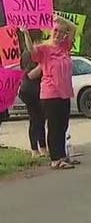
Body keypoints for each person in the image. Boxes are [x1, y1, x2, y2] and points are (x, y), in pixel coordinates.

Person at [20, 17, 78, 169]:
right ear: (50, 31)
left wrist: (60, 19)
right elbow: (32, 50)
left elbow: (73, 28)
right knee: (54, 126)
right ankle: (55, 159)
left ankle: (62, 155)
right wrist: (25, 33)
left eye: (61, 32)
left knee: (63, 126)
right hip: (50, 93)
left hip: (64, 92)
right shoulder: (45, 48)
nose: (58, 34)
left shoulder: (65, 46)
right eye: (55, 30)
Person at [17, 29, 48, 158]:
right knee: (35, 119)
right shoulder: (28, 54)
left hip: (38, 90)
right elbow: (30, 75)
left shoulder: (37, 52)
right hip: (30, 90)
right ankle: (34, 149)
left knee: (41, 119)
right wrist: (43, 65)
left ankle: (43, 147)